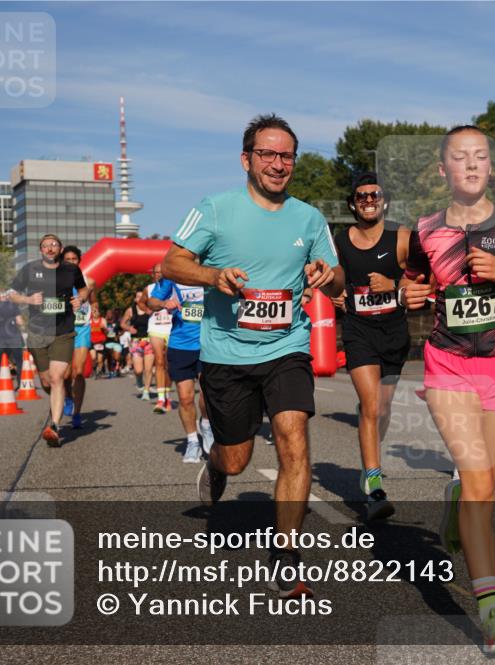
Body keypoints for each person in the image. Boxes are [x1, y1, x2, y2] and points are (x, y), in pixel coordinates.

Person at [163, 113, 343, 599]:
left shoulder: (308, 217)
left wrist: (330, 275)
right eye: (267, 154)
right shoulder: (216, 209)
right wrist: (212, 277)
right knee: (237, 458)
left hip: (287, 346)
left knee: (293, 435)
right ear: (247, 159)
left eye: (286, 155)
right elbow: (172, 261)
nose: (277, 163)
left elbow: (340, 276)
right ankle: (217, 466)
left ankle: (286, 554)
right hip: (226, 352)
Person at [399, 125, 495, 653]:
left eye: (480, 157)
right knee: (480, 485)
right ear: (443, 170)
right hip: (447, 364)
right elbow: (416, 285)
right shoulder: (424, 230)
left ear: (490, 167)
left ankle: (454, 505)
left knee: (483, 484)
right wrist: (412, 294)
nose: (471, 165)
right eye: (459, 158)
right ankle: (492, 614)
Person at [332, 172, 410, 521]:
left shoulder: (401, 236)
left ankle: (369, 464)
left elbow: (423, 276)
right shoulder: (341, 240)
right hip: (358, 329)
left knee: (383, 408)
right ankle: (375, 487)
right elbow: (328, 277)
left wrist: (395, 284)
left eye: (373, 195)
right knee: (371, 404)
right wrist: (333, 293)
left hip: (394, 331)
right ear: (353, 203)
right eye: (361, 196)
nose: (367, 200)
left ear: (384, 200)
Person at [8, 234, 90, 446]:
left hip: (63, 330)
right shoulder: (30, 269)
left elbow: (83, 288)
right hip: (37, 332)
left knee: (56, 378)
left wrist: (79, 299)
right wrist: (27, 299)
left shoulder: (71, 270)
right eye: (46, 246)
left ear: (60, 249)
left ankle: (54, 425)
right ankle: (65, 397)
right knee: (46, 381)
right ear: (41, 250)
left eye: (54, 245)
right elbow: (11, 293)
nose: (50, 248)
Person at [147, 276, 215, 463]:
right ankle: (192, 441)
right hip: (181, 345)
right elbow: (151, 302)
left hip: (208, 344)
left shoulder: (209, 269)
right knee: (185, 398)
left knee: (208, 393)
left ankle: (207, 425)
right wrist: (163, 302)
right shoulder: (172, 277)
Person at [60, 246, 96, 428]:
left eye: (74, 259)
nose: (71, 262)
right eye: (68, 259)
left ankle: (77, 413)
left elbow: (94, 300)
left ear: (79, 261)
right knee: (65, 374)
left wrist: (95, 309)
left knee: (79, 371)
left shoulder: (89, 282)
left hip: (82, 329)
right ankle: (67, 397)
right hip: (64, 330)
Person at [143, 264, 174, 413]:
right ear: (152, 275)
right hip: (156, 328)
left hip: (171, 327)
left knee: (169, 363)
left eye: (162, 272)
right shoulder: (149, 289)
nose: (159, 275)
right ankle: (161, 399)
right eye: (156, 273)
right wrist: (147, 310)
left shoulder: (173, 287)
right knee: (159, 361)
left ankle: (167, 394)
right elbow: (142, 302)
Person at [0, 289, 25, 387]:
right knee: (18, 360)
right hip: (13, 336)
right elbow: (20, 321)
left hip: (0, 337)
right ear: (6, 296)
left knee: (0, 360)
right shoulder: (13, 306)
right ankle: (20, 382)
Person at [121, 291, 154, 398]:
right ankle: (139, 382)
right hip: (136, 342)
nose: (140, 299)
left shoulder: (150, 310)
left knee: (148, 369)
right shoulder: (131, 310)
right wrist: (129, 328)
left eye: (142, 296)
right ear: (135, 299)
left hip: (149, 341)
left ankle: (146, 391)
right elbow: (122, 323)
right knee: (138, 370)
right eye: (138, 297)